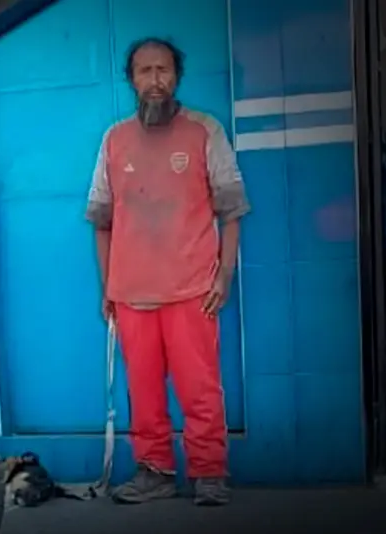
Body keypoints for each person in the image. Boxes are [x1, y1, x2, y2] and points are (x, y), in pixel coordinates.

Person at [85, 38, 251, 506]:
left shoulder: (204, 131)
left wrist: (224, 277)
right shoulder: (114, 139)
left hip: (192, 289)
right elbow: (102, 220)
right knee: (143, 391)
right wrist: (108, 288)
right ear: (131, 79)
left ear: (176, 76)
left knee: (200, 388)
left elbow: (232, 210)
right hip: (131, 292)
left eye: (163, 70)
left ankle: (209, 473)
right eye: (144, 71)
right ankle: (154, 472)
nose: (154, 79)